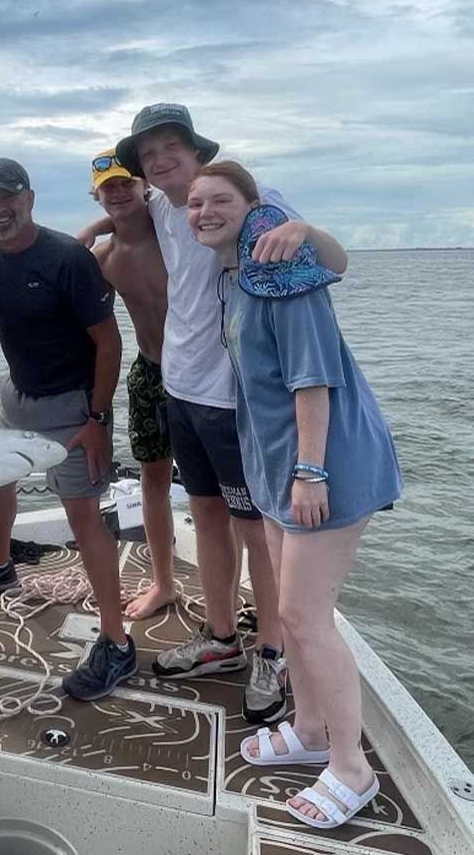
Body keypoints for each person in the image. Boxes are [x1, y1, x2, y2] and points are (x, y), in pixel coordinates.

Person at [80, 103, 345, 724]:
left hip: (234, 398)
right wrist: (87, 235)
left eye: (172, 146)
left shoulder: (246, 198)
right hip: (180, 387)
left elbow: (332, 262)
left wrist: (302, 229)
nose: (161, 159)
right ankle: (223, 638)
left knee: (257, 529)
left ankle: (272, 650)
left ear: (197, 151)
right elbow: (122, 207)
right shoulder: (170, 206)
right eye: (149, 154)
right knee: (205, 514)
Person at [186, 160, 402, 829]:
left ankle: (352, 767)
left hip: (326, 465)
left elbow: (313, 382)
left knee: (307, 619)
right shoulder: (234, 277)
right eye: (193, 203)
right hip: (280, 471)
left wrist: (311, 472)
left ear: (255, 207)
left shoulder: (281, 274)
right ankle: (309, 731)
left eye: (219, 199)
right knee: (285, 608)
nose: (202, 211)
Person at [0, 157, 138, 701]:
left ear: (29, 198)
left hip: (74, 405)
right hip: (18, 393)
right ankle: (1, 565)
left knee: (84, 517)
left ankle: (116, 643)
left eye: (9, 198)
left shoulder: (68, 258)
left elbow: (109, 342)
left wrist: (97, 419)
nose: (0, 209)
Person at [87, 149, 176, 620]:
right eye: (108, 188)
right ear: (96, 196)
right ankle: (163, 582)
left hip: (203, 376)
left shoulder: (176, 238)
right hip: (148, 371)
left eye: (126, 183)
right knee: (154, 479)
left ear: (145, 187)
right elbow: (63, 277)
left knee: (225, 490)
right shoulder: (105, 258)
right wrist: (90, 232)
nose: (118, 193)